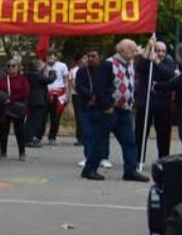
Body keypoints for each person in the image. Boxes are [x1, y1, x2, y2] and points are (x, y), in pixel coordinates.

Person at [93, 39, 148, 182]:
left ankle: (130, 171)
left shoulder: (129, 63)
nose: (134, 52)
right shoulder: (108, 64)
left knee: (130, 142)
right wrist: (106, 105)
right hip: (111, 109)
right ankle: (90, 169)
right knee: (99, 140)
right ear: (122, 50)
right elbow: (98, 87)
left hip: (125, 110)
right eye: (132, 50)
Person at [133, 38, 175, 161]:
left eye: (163, 51)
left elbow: (168, 74)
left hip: (163, 103)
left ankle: (163, 159)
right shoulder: (147, 61)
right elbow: (140, 67)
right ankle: (138, 159)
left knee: (163, 133)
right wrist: (148, 47)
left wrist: (157, 61)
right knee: (141, 132)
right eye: (157, 50)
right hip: (145, 102)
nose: (160, 53)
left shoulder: (168, 62)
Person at [74, 47, 109, 180]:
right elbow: (79, 86)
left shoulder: (105, 70)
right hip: (86, 107)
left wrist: (101, 98)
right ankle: (89, 159)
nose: (90, 58)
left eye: (93, 56)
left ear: (99, 57)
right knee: (88, 134)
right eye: (88, 56)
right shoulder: (82, 71)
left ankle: (103, 157)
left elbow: (109, 86)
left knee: (101, 134)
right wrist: (90, 95)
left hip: (101, 107)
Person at [0, 58, 29, 160]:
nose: (11, 68)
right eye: (9, 66)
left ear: (18, 67)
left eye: (13, 66)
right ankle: (3, 152)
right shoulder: (4, 79)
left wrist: (12, 99)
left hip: (17, 108)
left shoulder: (23, 79)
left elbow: (25, 92)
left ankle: (22, 152)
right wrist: (0, 97)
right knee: (3, 131)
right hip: (5, 108)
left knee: (19, 131)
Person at [23, 57, 55, 148]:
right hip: (37, 101)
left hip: (33, 100)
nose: (43, 65)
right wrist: (52, 72)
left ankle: (28, 137)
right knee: (35, 121)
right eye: (41, 64)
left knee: (31, 120)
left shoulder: (30, 74)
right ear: (37, 67)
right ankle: (28, 138)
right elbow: (50, 79)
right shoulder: (36, 75)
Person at [45, 50, 70, 145]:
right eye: (48, 57)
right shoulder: (44, 66)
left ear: (55, 57)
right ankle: (38, 136)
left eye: (52, 56)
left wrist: (67, 94)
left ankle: (52, 137)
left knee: (55, 117)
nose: (50, 59)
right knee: (43, 117)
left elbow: (66, 80)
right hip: (47, 93)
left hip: (59, 94)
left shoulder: (62, 66)